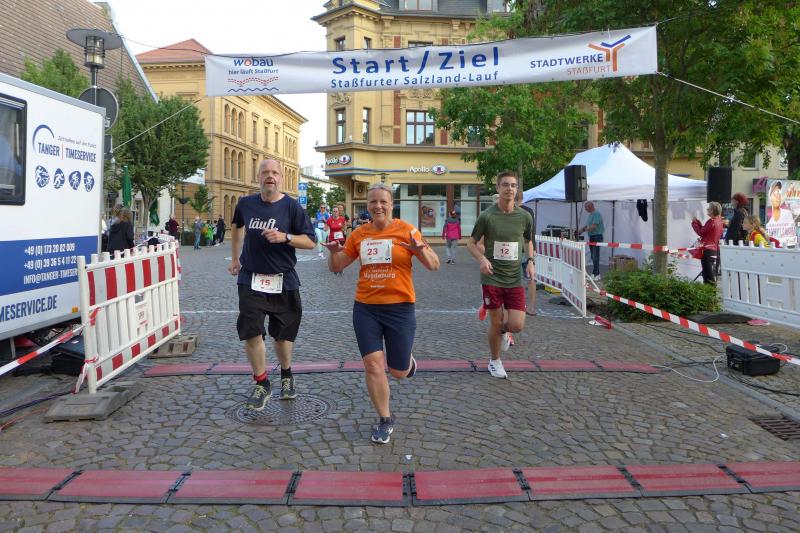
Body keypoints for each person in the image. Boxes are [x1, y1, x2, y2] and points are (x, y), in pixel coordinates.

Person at [323, 183, 440, 443]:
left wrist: (420, 251)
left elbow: (434, 265)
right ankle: (385, 419)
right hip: (366, 308)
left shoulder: (407, 230)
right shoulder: (359, 234)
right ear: (368, 206)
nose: (378, 206)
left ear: (391, 205)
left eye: (383, 202)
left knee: (398, 372)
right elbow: (337, 266)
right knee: (373, 365)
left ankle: (407, 364)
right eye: (373, 202)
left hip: (400, 308)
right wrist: (333, 254)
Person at [228, 159, 316, 411]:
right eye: (265, 172)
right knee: (251, 331)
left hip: (283, 279)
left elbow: (311, 242)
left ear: (281, 178)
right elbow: (236, 227)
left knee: (283, 335)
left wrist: (285, 237)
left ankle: (286, 374)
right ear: (258, 177)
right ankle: (262, 382)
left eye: (274, 172)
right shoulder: (245, 204)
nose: (270, 176)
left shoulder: (292, 207)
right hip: (251, 278)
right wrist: (235, 259)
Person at [467, 172, 534, 379]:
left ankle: (505, 332)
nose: (509, 189)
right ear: (498, 188)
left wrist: (531, 261)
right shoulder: (487, 216)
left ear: (517, 189)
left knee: (517, 325)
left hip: (514, 277)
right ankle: (495, 361)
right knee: (495, 322)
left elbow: (528, 241)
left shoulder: (525, 217)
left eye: (513, 185)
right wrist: (482, 259)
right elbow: (471, 243)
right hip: (492, 277)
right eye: (505, 185)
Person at [691, 202, 724, 285]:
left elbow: (701, 232)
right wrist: (697, 222)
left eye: (709, 208)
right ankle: (709, 290)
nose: (707, 209)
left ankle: (710, 291)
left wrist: (694, 223)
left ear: (712, 210)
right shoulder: (719, 221)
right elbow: (705, 231)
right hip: (714, 250)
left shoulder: (711, 221)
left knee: (707, 276)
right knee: (709, 274)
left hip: (707, 251)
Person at [517, 190, 537, 316]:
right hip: (529, 248)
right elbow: (531, 232)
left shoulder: (512, 211)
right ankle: (531, 307)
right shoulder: (529, 211)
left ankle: (518, 305)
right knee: (531, 279)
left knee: (515, 279)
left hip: (517, 249)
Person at [577, 201, 604, 280]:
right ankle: (596, 273)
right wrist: (581, 229)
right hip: (592, 236)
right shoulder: (591, 215)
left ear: (591, 206)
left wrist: (584, 230)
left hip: (597, 236)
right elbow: (588, 225)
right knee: (593, 256)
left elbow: (594, 226)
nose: (585, 209)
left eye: (586, 208)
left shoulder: (596, 214)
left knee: (595, 256)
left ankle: (596, 273)